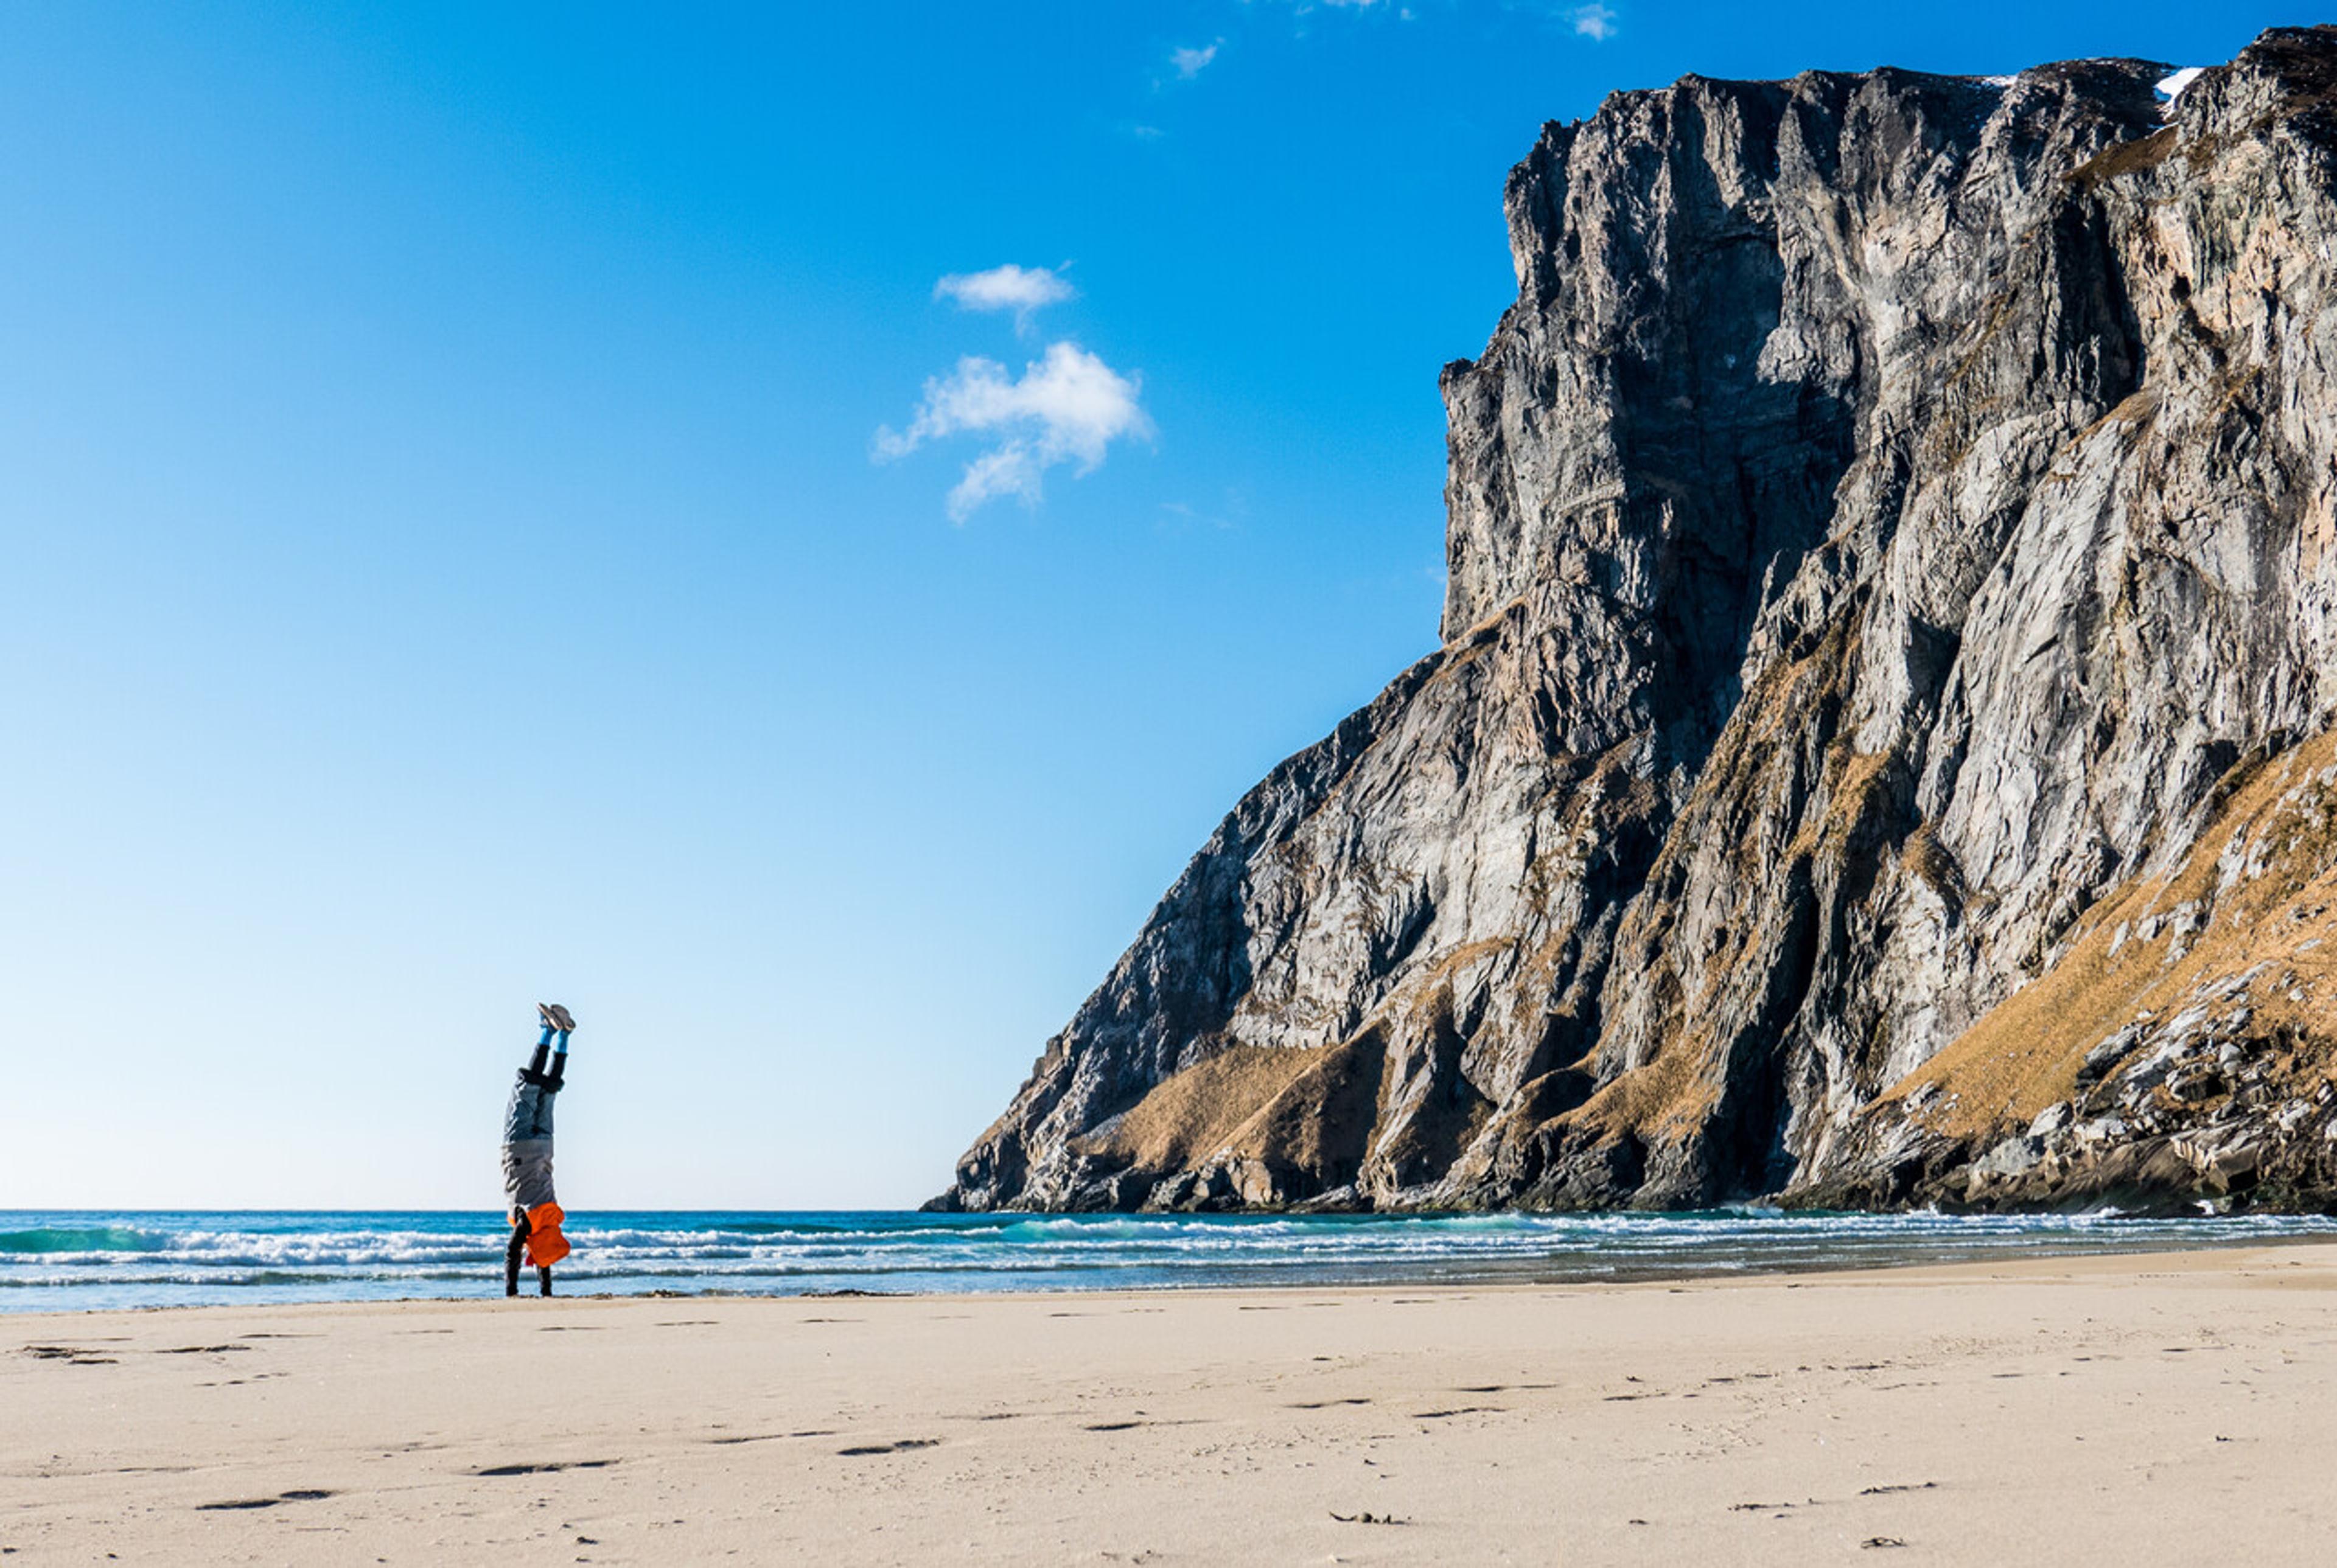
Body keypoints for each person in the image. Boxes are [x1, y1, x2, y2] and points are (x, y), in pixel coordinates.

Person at [502, 1003, 576, 1297]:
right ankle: (547, 1031)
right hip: (518, 1147)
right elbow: (512, 1252)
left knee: (548, 1089)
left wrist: (547, 1293)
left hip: (546, 1146)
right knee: (526, 1086)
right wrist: (512, 1291)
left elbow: (544, 1260)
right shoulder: (528, 1221)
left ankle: (564, 1038)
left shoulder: (552, 1217)